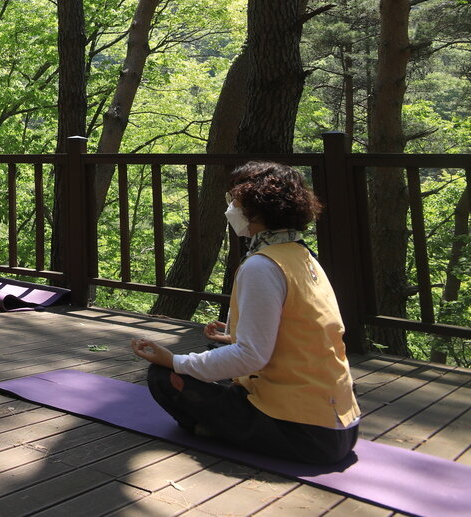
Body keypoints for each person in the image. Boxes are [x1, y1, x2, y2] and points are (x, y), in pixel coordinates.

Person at [130, 161, 360, 465]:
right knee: (215, 362)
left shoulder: (261, 266)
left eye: (235, 201)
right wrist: (232, 336)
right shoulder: (303, 256)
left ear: (256, 206)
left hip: (304, 433)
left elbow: (252, 357)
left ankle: (216, 429)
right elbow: (303, 333)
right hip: (339, 426)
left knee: (163, 376)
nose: (231, 208)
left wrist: (172, 360)